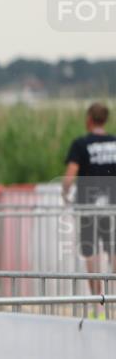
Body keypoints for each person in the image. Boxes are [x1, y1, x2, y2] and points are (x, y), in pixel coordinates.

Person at [62, 102, 116, 320]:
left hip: (88, 205)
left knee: (91, 252)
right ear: (105, 119)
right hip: (113, 205)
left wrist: (65, 193)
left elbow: (70, 175)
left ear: (89, 119)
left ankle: (99, 305)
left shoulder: (81, 143)